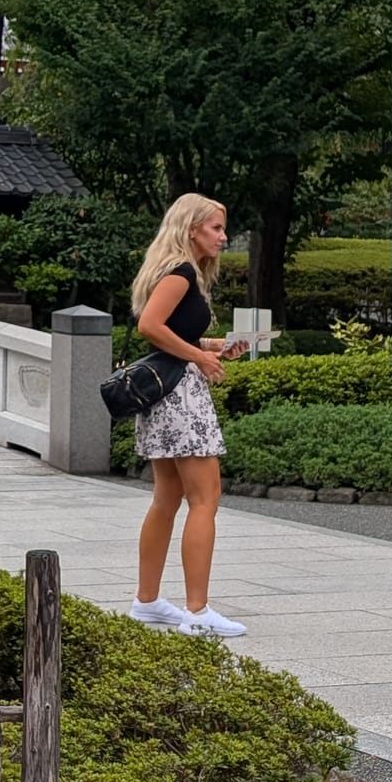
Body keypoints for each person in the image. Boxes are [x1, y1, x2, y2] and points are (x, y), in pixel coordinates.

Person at [126, 194, 248, 639]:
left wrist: (215, 346)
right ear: (191, 228)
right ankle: (197, 611)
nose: (223, 236)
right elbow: (150, 327)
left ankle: (148, 600)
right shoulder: (179, 274)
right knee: (205, 498)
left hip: (165, 395)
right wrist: (200, 355)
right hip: (181, 397)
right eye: (215, 227)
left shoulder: (176, 272)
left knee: (167, 498)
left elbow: (170, 333)